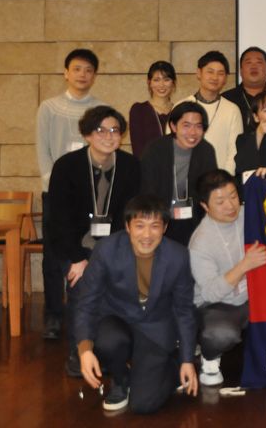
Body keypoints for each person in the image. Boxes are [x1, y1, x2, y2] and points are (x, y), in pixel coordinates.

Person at [74, 194, 198, 414]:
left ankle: (171, 364)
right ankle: (120, 380)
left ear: (165, 228)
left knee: (144, 404)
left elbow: (184, 310)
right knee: (108, 341)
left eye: (155, 226)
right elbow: (87, 302)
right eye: (140, 226)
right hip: (117, 321)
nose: (147, 235)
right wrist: (84, 350)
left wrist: (187, 360)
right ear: (127, 226)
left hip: (155, 330)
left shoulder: (178, 256)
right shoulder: (106, 250)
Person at [45, 105, 141, 376]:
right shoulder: (66, 166)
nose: (109, 136)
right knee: (82, 286)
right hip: (76, 247)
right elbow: (58, 220)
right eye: (101, 130)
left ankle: (115, 351)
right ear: (87, 134)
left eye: (115, 130)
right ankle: (80, 352)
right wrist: (78, 258)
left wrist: (111, 255)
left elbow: (132, 215)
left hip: (117, 246)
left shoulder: (131, 166)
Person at [36, 48, 103, 340]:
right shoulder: (49, 108)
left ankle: (89, 314)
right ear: (66, 73)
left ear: (94, 75)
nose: (82, 75)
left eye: (88, 70)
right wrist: (56, 187)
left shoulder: (102, 108)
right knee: (53, 257)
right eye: (77, 69)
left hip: (91, 196)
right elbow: (43, 152)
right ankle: (53, 316)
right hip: (56, 195)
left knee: (89, 253)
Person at [189, 170, 266, 387]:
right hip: (219, 305)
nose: (231, 206)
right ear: (205, 206)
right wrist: (244, 266)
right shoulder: (200, 242)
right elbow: (210, 293)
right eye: (220, 202)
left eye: (233, 196)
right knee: (220, 334)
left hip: (254, 295)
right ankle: (209, 357)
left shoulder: (247, 214)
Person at [140, 102, 218, 246]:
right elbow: (147, 191)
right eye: (186, 125)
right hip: (162, 220)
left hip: (194, 221)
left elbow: (210, 189)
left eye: (198, 126)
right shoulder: (155, 150)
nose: (193, 132)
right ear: (174, 126)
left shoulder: (206, 150)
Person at [175, 51, 243, 174]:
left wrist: (223, 180)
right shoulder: (181, 107)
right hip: (185, 177)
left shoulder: (232, 110)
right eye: (210, 72)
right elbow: (172, 145)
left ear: (225, 78)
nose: (215, 77)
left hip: (220, 179)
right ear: (199, 73)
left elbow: (235, 151)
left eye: (220, 73)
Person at [129, 61, 176, 159]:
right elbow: (138, 150)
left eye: (166, 79)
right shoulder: (139, 110)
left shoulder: (179, 110)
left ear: (173, 82)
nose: (161, 85)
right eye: (156, 80)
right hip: (147, 166)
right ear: (149, 82)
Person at [223, 46, 266, 130]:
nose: (254, 66)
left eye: (259, 62)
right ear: (241, 71)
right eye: (248, 63)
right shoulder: (226, 99)